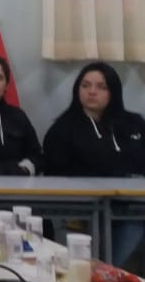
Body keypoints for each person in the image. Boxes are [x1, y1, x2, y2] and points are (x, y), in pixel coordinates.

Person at [43, 61, 145, 268]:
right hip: (81, 210)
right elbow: (56, 174)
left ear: (113, 91)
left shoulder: (134, 123)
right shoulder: (61, 130)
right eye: (86, 85)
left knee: (133, 223)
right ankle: (106, 273)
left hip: (131, 208)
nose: (92, 91)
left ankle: (111, 273)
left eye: (101, 87)